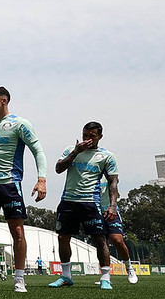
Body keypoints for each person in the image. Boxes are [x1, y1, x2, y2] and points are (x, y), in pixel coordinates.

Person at [0, 86, 47, 293]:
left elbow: (38, 151)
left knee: (17, 231)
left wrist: (41, 180)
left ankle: (19, 278)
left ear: (4, 101)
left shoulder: (20, 124)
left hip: (10, 184)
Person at [50, 122, 119, 290]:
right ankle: (66, 276)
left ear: (100, 137)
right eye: (85, 135)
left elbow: (113, 183)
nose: (87, 139)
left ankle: (105, 278)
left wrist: (112, 206)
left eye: (92, 136)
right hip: (68, 201)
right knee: (62, 237)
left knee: (99, 238)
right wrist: (75, 152)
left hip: (91, 203)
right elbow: (58, 169)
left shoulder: (106, 156)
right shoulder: (70, 150)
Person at [100, 178, 138, 284]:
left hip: (110, 209)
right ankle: (106, 276)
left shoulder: (107, 167)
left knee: (117, 240)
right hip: (96, 210)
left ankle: (129, 267)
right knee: (102, 243)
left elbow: (115, 180)